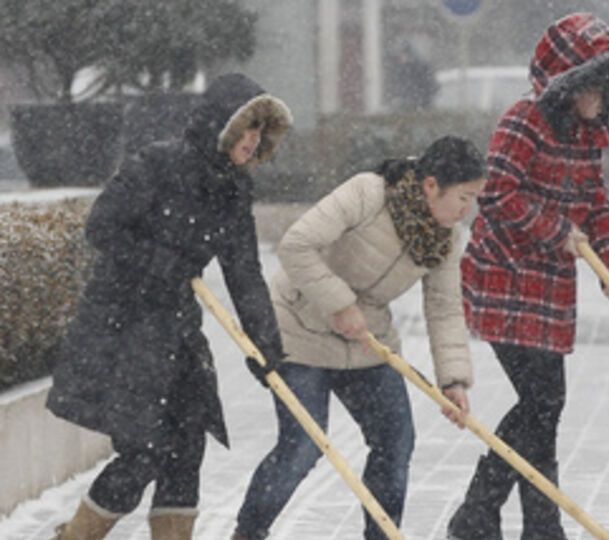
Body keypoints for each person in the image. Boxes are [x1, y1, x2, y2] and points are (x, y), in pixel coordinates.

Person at [45, 73, 293, 540]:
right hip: (125, 326)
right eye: (248, 128)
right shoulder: (158, 165)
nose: (254, 140)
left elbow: (244, 273)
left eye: (262, 131)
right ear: (223, 126)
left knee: (185, 446)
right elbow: (102, 227)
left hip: (177, 330)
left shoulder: (234, 189)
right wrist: (159, 262)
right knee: (144, 451)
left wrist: (265, 346)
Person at [231, 135, 485, 540]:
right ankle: (247, 533)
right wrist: (338, 302)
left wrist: (453, 380)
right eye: (464, 197)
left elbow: (444, 308)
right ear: (431, 184)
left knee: (395, 442)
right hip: (301, 331)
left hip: (367, 342)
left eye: (475, 199)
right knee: (302, 447)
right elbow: (296, 245)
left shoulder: (446, 239)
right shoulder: (368, 194)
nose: (467, 209)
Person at [446, 13, 609, 540]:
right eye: (592, 82)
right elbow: (498, 194)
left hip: (550, 288)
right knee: (543, 403)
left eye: (607, 83)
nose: (601, 94)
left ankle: (504, 520)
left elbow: (596, 203)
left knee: (543, 410)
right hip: (503, 280)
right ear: (568, 82)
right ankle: (503, 519)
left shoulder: (586, 131)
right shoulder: (524, 120)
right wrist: (557, 231)